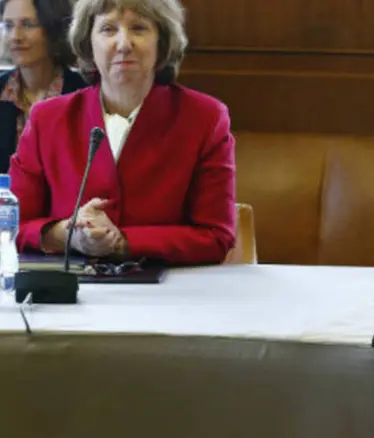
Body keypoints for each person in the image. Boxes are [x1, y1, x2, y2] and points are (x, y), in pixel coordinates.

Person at [8, 0, 236, 266]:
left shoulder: (205, 118)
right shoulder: (47, 119)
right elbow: (12, 222)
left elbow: (216, 236)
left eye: (138, 28)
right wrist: (68, 235)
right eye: (108, 29)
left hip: (171, 296)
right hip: (70, 295)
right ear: (88, 43)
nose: (124, 43)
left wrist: (123, 241)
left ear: (162, 43)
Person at [0, 0, 87, 174]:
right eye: (8, 26)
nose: (15, 36)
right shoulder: (2, 89)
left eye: (28, 25)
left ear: (52, 30)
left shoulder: (84, 94)